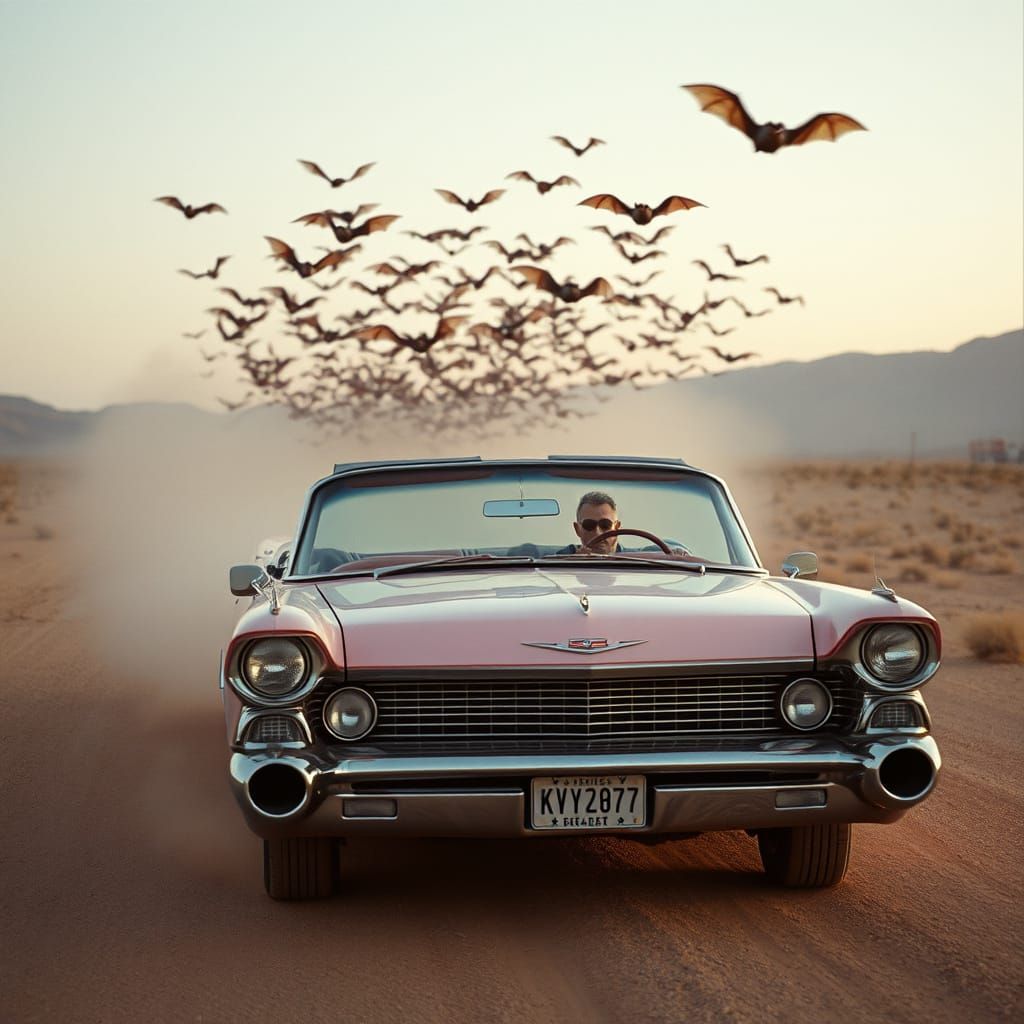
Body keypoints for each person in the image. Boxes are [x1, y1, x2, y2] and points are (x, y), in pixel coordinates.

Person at [557, 491, 622, 554]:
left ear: (617, 528)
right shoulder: (563, 557)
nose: (598, 533)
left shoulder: (628, 558)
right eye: (589, 525)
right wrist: (575, 560)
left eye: (605, 525)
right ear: (577, 529)